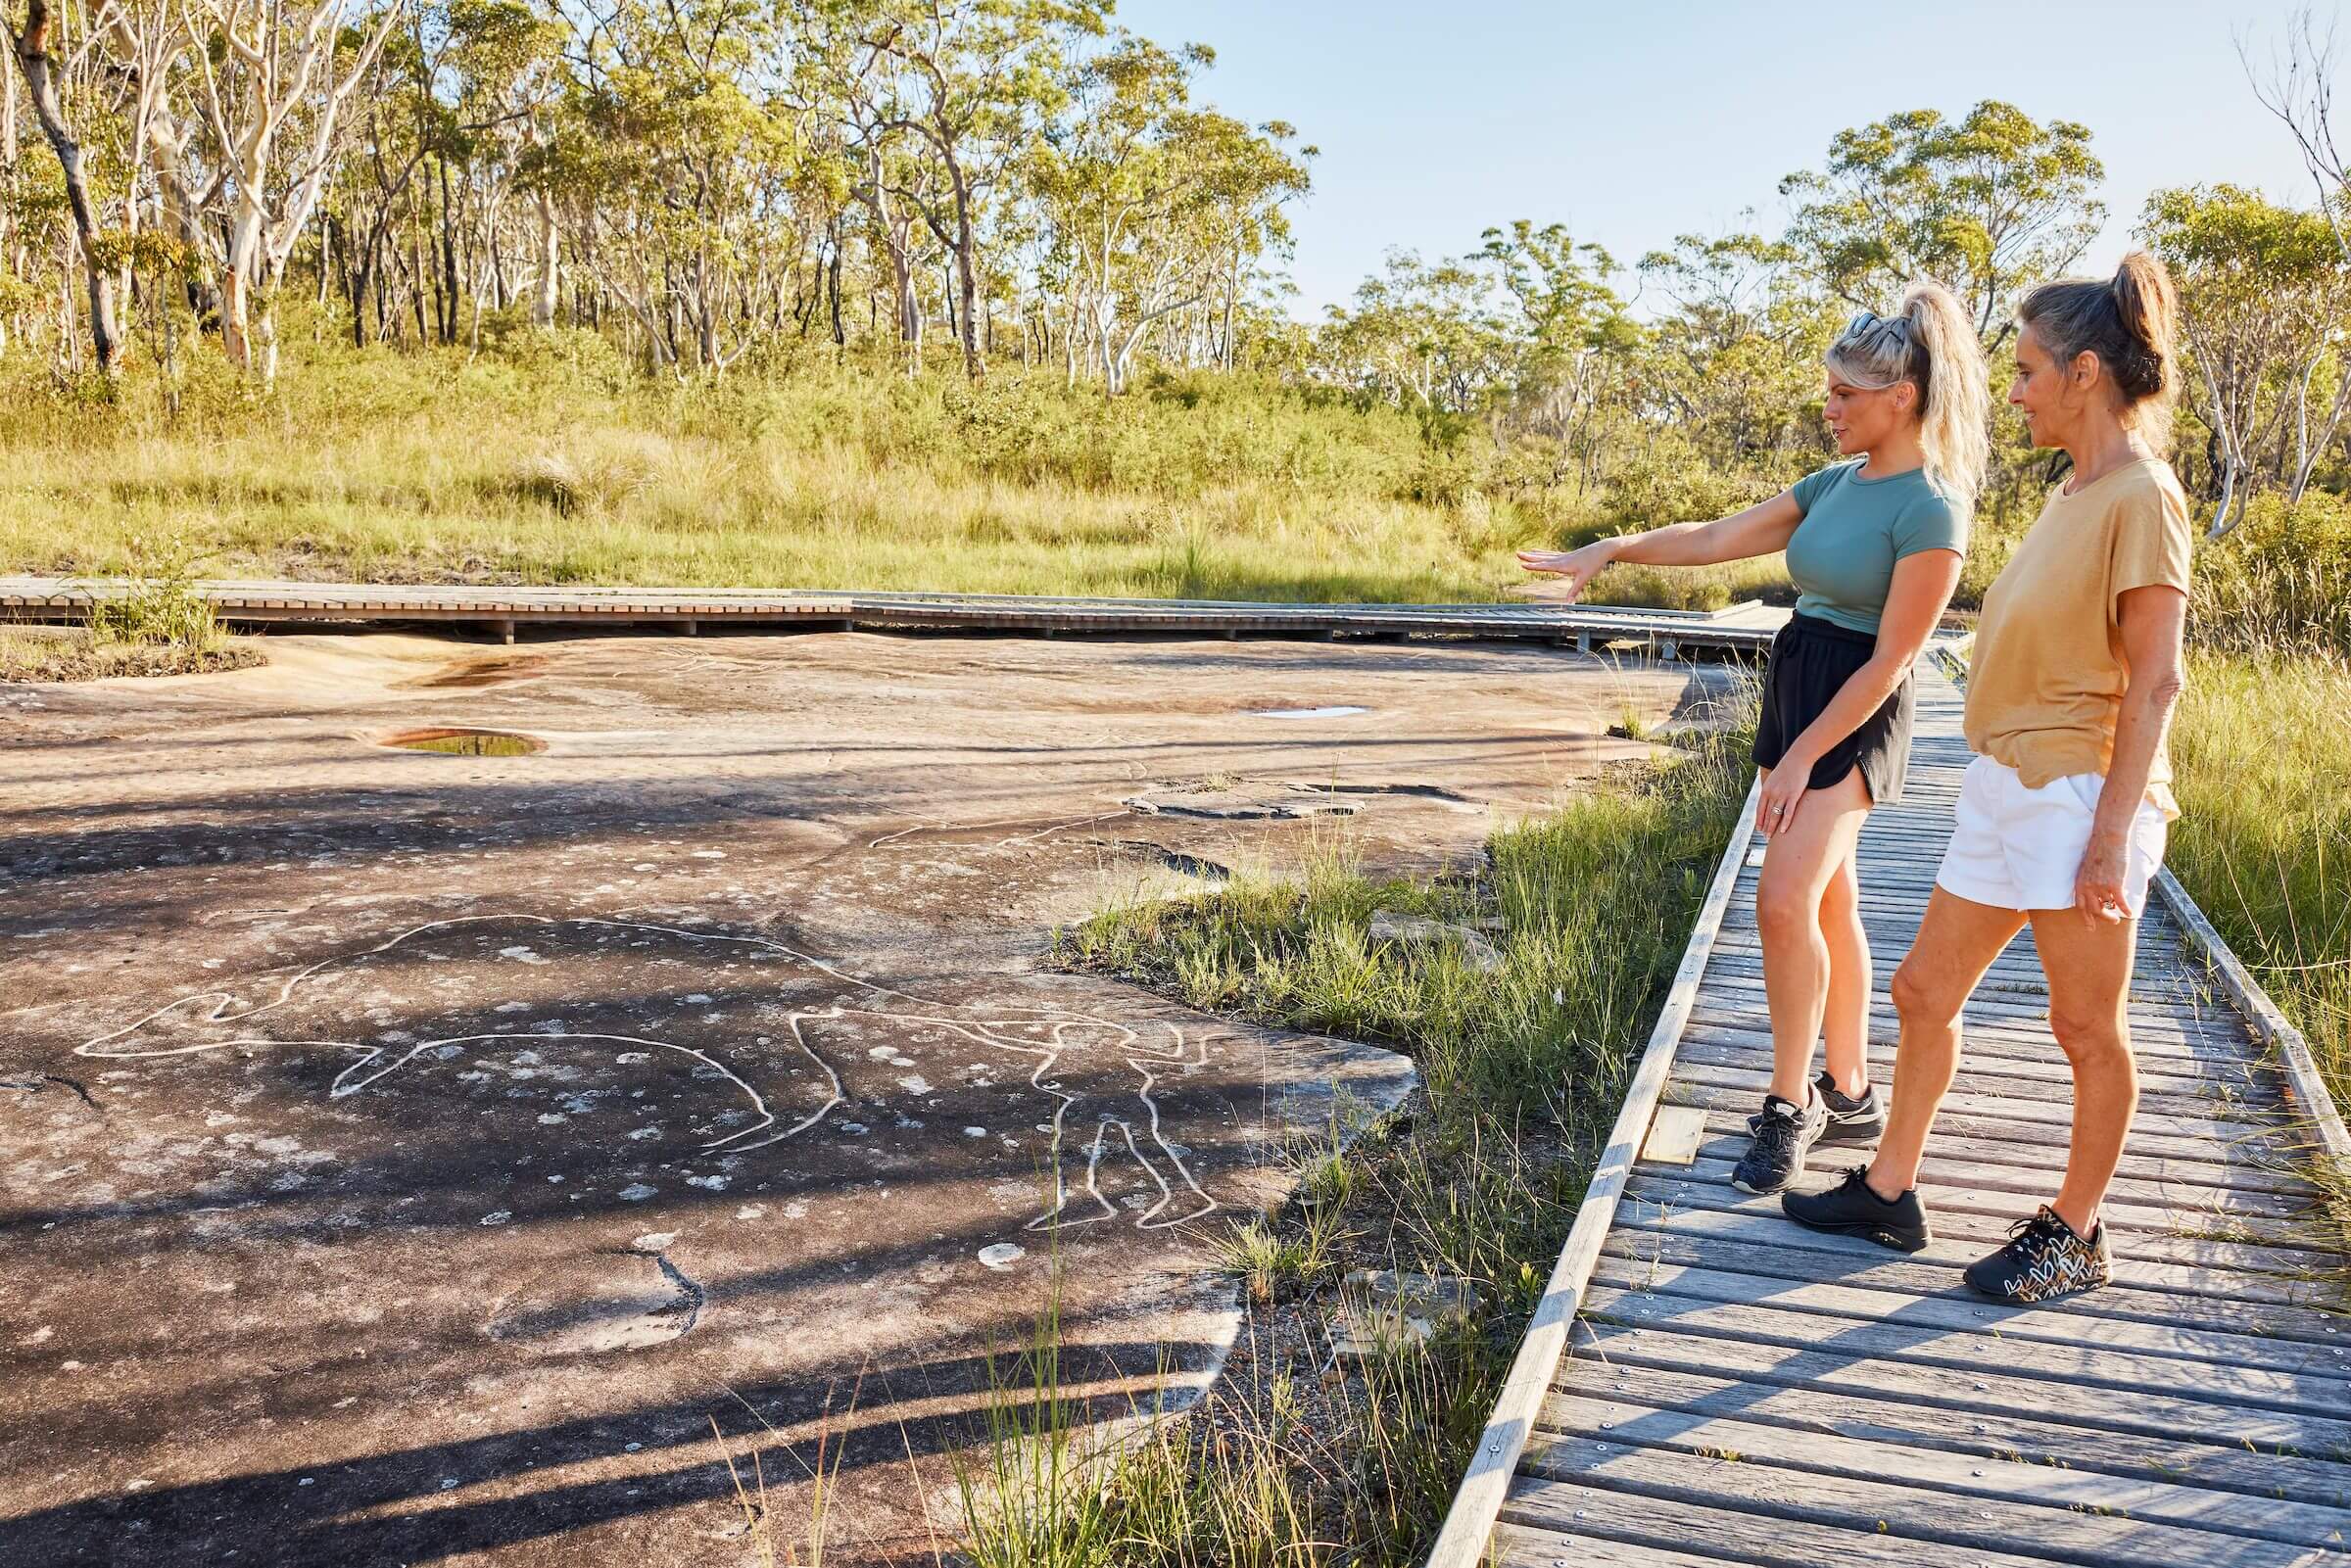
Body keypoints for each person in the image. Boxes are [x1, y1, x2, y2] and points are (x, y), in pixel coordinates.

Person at [1784, 253, 2192, 1304]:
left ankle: (2076, 1232)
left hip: (2076, 790)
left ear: (2086, 372)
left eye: (2025, 372)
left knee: (2085, 1027)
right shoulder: (2077, 489)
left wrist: (2110, 835)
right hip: (2006, 782)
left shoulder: (2144, 495)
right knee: (1922, 989)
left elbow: (2156, 682)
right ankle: (1889, 1188)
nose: (2010, 391)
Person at [1520, 282, 1987, 1197]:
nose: (1829, 409)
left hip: (1854, 709)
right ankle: (1849, 1085)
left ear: (1902, 399)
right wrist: (1609, 550)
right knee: (1826, 898)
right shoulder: (1835, 485)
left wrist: (1810, 753)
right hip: (1800, 678)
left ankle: (1789, 1104)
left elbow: (1893, 661)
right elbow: (1717, 537)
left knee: (1782, 897)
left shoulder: (1933, 508)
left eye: (1844, 396)